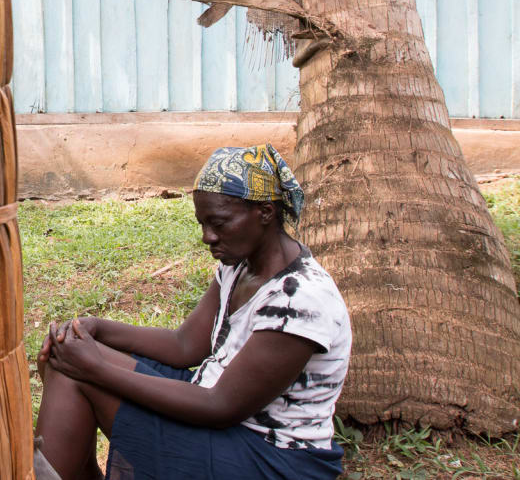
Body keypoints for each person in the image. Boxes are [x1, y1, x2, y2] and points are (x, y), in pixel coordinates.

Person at [34, 144, 352, 480]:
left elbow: (221, 406)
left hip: (268, 456)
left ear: (265, 213)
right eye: (202, 224)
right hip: (217, 410)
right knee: (66, 352)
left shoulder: (300, 300)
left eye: (219, 223)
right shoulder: (240, 266)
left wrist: (96, 368)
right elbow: (185, 345)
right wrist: (96, 328)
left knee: (81, 372)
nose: (207, 237)